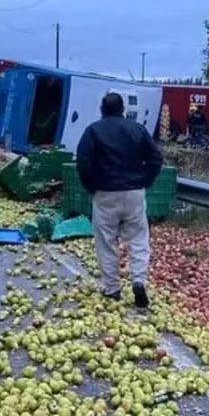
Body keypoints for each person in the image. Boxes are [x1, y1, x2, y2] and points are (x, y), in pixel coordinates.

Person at [76, 92, 163, 309]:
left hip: (105, 193)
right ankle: (139, 281)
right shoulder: (138, 129)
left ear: (102, 109)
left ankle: (112, 288)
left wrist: (91, 186)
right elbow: (156, 158)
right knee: (138, 239)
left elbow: (84, 162)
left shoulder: (93, 131)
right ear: (122, 109)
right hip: (134, 192)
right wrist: (145, 180)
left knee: (106, 241)